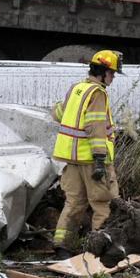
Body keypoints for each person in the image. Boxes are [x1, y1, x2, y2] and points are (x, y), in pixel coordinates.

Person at [51, 49, 123, 256]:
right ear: (102, 72)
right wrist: (100, 159)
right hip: (92, 159)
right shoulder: (98, 93)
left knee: (73, 203)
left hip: (72, 160)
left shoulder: (77, 89)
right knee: (103, 204)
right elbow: (95, 127)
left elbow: (58, 113)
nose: (113, 78)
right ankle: (102, 249)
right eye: (112, 73)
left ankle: (62, 246)